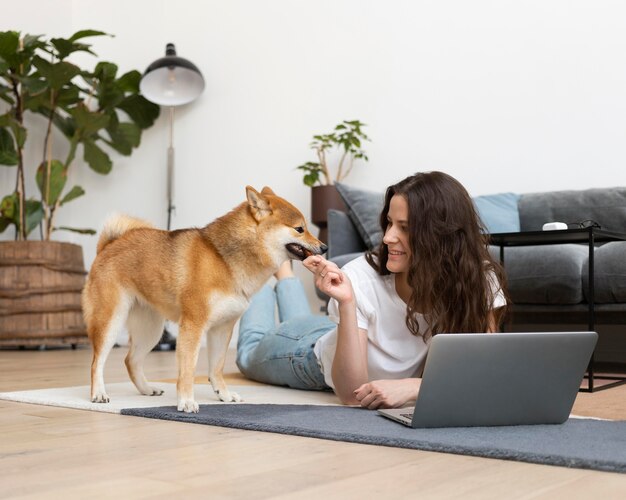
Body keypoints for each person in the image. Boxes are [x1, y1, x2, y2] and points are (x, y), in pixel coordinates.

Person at [236, 171, 508, 409]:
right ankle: (263, 269)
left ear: (441, 237)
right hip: (305, 354)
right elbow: (352, 395)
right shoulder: (359, 278)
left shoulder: (478, 278)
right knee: (248, 354)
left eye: (405, 228)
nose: (388, 237)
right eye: (389, 223)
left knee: (299, 321)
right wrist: (346, 303)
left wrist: (414, 387)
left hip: (340, 332)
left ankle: (284, 275)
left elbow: (486, 371)